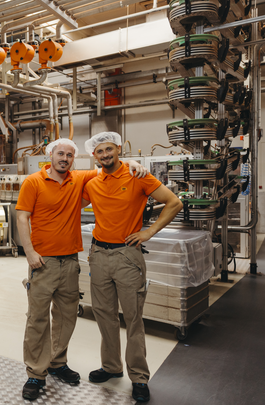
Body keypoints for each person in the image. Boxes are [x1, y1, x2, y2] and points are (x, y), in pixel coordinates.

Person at [16, 138, 148, 400]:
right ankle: (35, 373)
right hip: (42, 262)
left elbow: (109, 167)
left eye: (69, 155)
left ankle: (57, 362)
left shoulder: (79, 178)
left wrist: (133, 163)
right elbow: (22, 216)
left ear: (73, 159)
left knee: (67, 317)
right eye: (60, 153)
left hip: (70, 262)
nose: (64, 158)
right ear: (50, 154)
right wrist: (29, 252)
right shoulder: (33, 182)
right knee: (38, 319)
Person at [81, 132, 182, 403]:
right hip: (99, 255)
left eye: (109, 150)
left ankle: (138, 376)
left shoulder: (137, 176)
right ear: (95, 156)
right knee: (104, 314)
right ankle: (111, 366)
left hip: (128, 256)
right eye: (100, 152)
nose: (105, 155)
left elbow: (174, 203)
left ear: (118, 149)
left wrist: (148, 233)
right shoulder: (92, 181)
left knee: (133, 318)